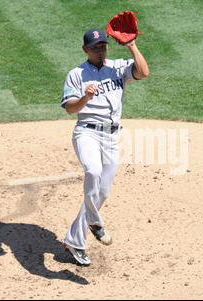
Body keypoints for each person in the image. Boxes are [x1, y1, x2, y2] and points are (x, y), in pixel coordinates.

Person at [60, 28, 149, 265]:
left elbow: (144, 72)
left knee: (102, 192)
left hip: (111, 137)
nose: (101, 51)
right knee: (93, 171)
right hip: (87, 133)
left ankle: (74, 242)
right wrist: (85, 99)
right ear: (85, 50)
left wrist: (131, 45)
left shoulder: (117, 67)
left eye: (103, 46)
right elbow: (70, 108)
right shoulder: (76, 75)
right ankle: (94, 222)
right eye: (96, 48)